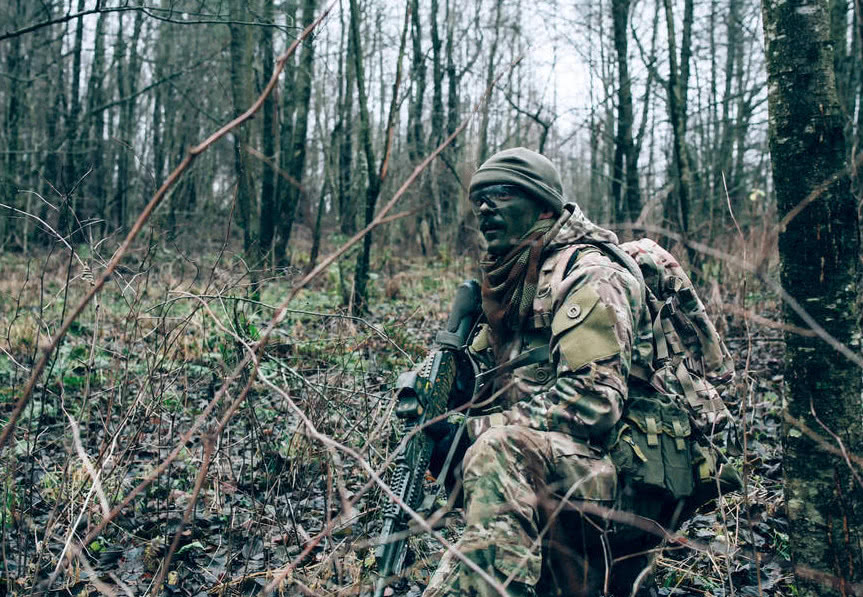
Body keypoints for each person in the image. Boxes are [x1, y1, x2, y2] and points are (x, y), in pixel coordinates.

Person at [423, 147, 668, 597]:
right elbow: (508, 383)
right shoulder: (516, 277)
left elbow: (593, 401)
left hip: (625, 476)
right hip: (562, 468)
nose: (485, 207)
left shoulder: (590, 274)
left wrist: (472, 432)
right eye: (478, 198)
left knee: (496, 449)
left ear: (543, 206)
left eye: (501, 194)